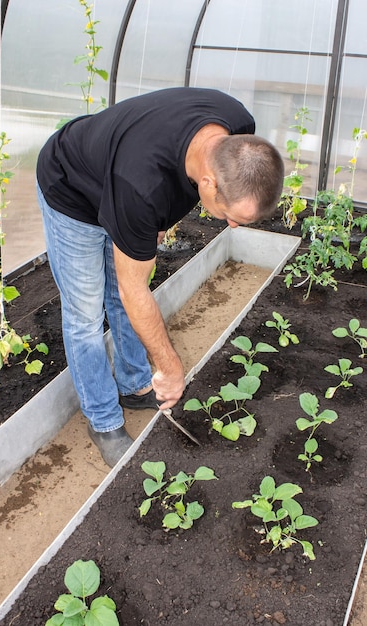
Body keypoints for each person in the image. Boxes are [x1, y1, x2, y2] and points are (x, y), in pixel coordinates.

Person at [36, 86, 284, 467]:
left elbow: (169, 191)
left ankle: (134, 385)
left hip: (119, 179)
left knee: (124, 297)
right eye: (230, 214)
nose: (233, 225)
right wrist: (170, 368)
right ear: (208, 183)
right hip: (74, 191)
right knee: (86, 314)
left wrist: (159, 222)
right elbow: (133, 288)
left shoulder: (237, 128)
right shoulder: (140, 184)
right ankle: (102, 420)